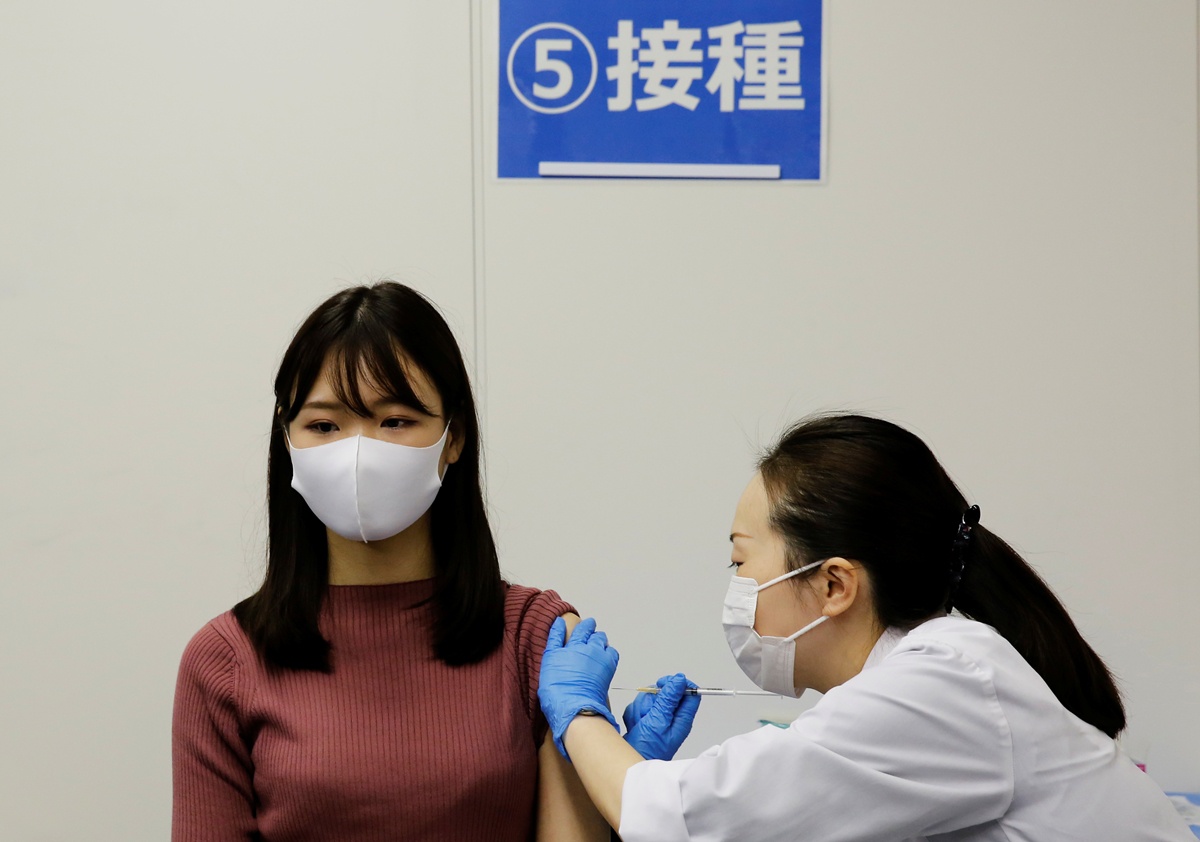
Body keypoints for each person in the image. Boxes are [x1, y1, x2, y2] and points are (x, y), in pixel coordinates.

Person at [538, 414, 1194, 841]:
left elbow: (676, 817)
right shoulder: (930, 677)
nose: (736, 586)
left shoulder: (941, 682)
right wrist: (632, 768)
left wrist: (581, 714)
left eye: (741, 561)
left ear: (834, 585)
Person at [173, 281, 607, 841]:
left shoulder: (539, 640)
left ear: (453, 436)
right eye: (323, 426)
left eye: (395, 421)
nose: (358, 453)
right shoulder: (225, 661)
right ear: (287, 439)